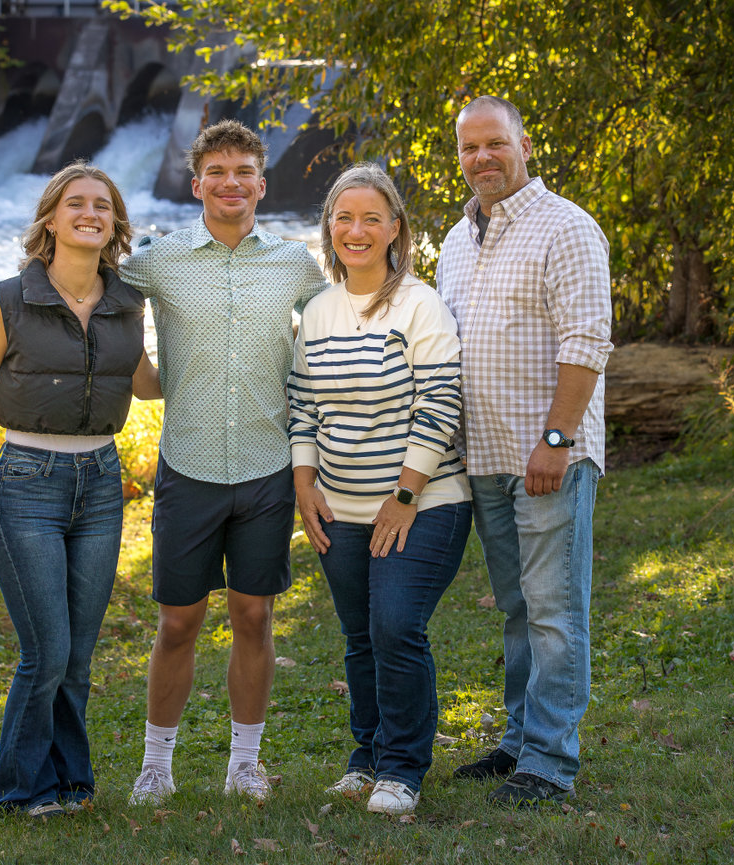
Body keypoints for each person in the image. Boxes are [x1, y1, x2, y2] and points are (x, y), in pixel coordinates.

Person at [0, 120, 329, 805]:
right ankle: (152, 765)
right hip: (182, 468)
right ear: (196, 185)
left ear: (261, 182)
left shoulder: (296, 264)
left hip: (265, 467)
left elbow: (346, 315)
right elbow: (63, 280)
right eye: (216, 171)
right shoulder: (154, 263)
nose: (230, 183)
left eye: (243, 171)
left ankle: (242, 763)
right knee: (173, 624)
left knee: (252, 618)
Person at [0, 161, 162, 817]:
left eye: (102, 205)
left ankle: (72, 785)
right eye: (75, 203)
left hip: (101, 484)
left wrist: (225, 347)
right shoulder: (5, 301)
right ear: (50, 219)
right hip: (25, 484)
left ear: (115, 223)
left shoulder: (128, 300)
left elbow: (147, 382)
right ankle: (19, 792)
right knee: (45, 651)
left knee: (76, 654)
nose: (90, 213)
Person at [436, 96, 613, 805]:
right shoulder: (455, 239)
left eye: (494, 144)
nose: (481, 157)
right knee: (516, 605)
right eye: (469, 147)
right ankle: (518, 739)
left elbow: (586, 340)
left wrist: (555, 439)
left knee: (553, 609)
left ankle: (549, 759)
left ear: (524, 144)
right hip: (483, 458)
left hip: (547, 456)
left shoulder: (566, 227)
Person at [289, 164, 472, 816]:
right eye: (344, 218)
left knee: (395, 624)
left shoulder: (419, 303)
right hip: (338, 507)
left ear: (395, 228)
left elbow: (440, 400)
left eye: (371, 218)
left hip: (424, 502)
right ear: (328, 228)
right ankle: (365, 757)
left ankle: (402, 768)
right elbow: (303, 406)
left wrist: (404, 494)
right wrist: (303, 483)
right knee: (360, 634)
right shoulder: (316, 311)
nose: (356, 230)